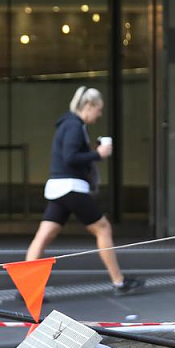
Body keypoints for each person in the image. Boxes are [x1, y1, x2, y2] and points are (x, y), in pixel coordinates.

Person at [25, 87, 144, 296]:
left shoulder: (68, 124)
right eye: (98, 109)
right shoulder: (74, 126)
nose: (99, 115)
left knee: (43, 236)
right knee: (103, 228)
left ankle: (27, 288)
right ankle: (119, 282)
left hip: (58, 187)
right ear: (88, 106)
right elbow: (70, 157)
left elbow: (69, 155)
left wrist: (91, 153)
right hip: (72, 188)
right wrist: (97, 154)